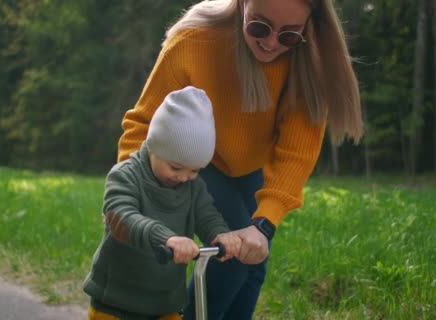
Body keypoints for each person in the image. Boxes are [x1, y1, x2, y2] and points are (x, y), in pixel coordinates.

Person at [117, 0, 363, 319]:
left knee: (252, 264)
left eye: (288, 35)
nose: (271, 42)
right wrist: (130, 193)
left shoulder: (308, 61)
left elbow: (296, 153)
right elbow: (144, 123)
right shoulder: (195, 40)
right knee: (232, 260)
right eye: (259, 27)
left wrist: (264, 224)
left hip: (250, 169)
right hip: (193, 163)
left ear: (308, 26)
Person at [83, 86, 242, 320]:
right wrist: (166, 238)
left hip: (165, 302)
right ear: (155, 147)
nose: (184, 177)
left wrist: (220, 234)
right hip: (116, 300)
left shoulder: (192, 187)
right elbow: (122, 217)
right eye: (176, 167)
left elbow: (206, 214)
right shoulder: (126, 175)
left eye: (195, 170)